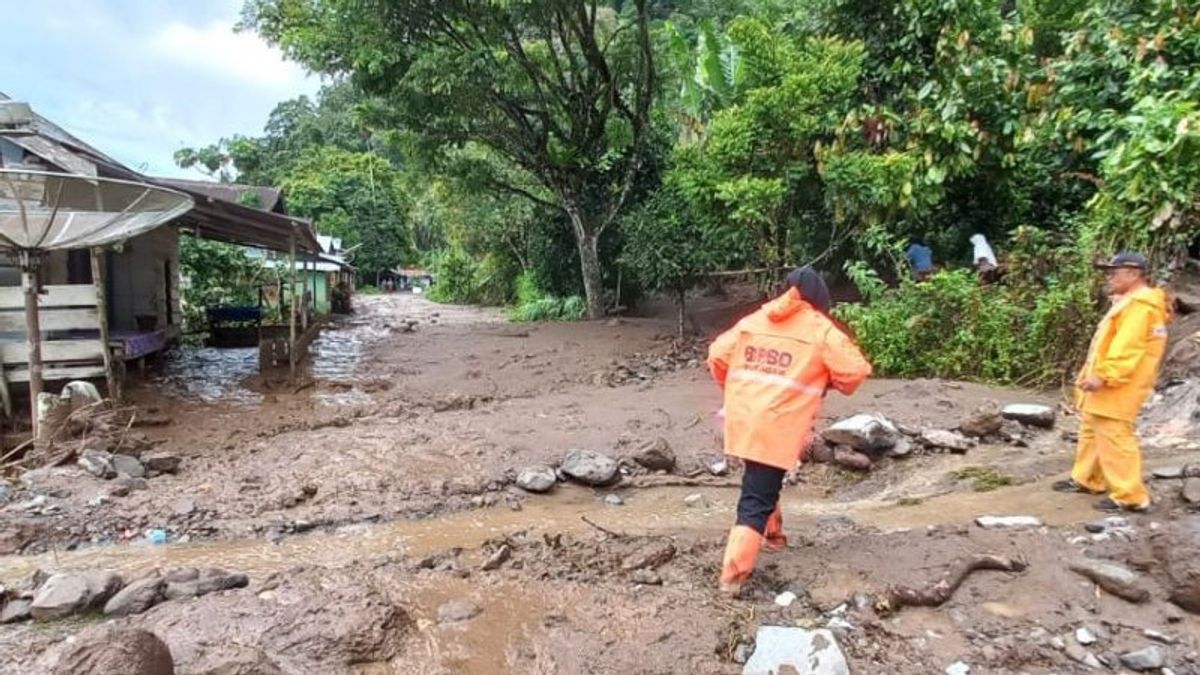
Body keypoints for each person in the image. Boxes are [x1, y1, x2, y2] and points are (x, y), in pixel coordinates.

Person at [707, 267, 872, 595]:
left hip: (744, 419)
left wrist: (738, 390)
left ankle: (773, 537)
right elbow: (854, 372)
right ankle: (732, 578)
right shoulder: (820, 329)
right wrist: (825, 379)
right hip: (778, 424)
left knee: (761, 479)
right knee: (755, 498)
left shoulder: (754, 321)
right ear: (821, 297)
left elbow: (716, 355)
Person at [1054, 252, 1170, 512]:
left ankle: (1130, 496)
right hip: (1113, 379)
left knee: (1114, 433)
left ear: (1133, 273)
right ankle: (1087, 479)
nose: (1109, 278)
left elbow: (1128, 347)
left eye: (1114, 273)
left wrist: (1105, 375)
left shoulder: (1141, 306)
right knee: (1092, 427)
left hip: (1120, 383)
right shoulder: (1130, 302)